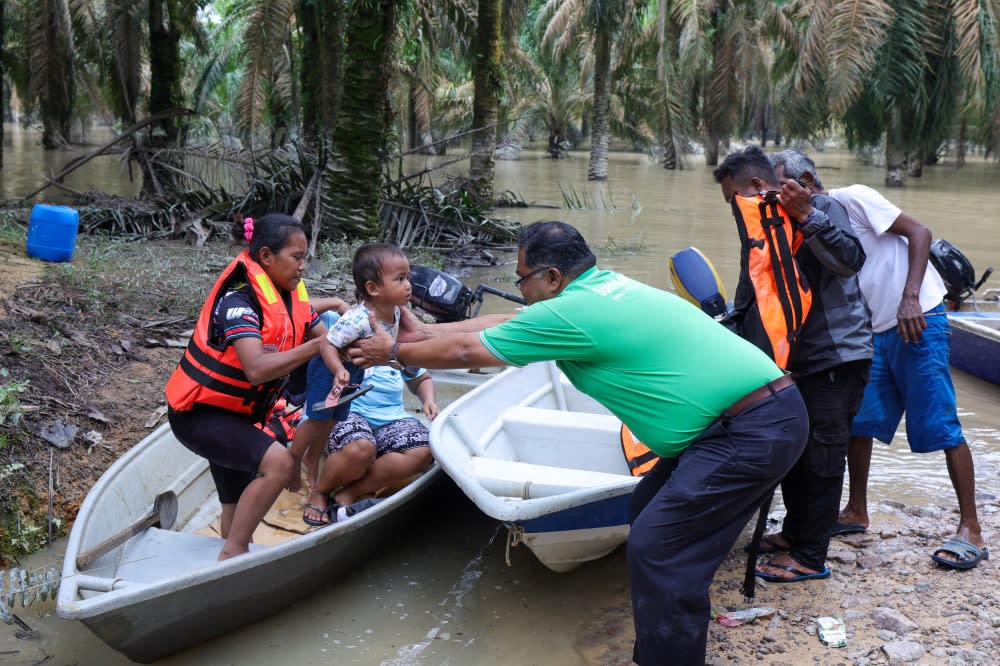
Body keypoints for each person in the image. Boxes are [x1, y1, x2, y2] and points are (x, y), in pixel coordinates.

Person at [346, 220, 810, 665]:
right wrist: (426, 334)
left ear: (551, 277)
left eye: (522, 278)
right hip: (755, 418)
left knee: (659, 547)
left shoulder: (572, 313)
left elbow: (471, 353)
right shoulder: (603, 287)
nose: (520, 287)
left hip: (750, 429)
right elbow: (508, 319)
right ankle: (658, 649)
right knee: (648, 512)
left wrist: (392, 352)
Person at [780, 151, 988, 570]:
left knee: (940, 421)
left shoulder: (853, 198)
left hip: (918, 317)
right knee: (857, 422)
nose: (775, 194)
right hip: (873, 330)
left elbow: (920, 232)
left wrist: (910, 297)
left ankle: (972, 527)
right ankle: (856, 510)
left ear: (804, 179)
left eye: (781, 184)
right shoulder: (805, 221)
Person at [712, 146, 873, 583]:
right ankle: (794, 533)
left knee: (822, 457)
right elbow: (752, 299)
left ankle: (810, 555)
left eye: (733, 198)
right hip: (793, 361)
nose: (732, 208)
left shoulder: (819, 207)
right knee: (794, 452)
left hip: (835, 356)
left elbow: (849, 261)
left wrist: (806, 216)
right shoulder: (761, 228)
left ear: (757, 187)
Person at [165, 213, 327, 560]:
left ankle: (232, 558)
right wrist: (317, 347)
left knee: (235, 506)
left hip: (236, 415)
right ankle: (234, 552)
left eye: (305, 258)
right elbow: (255, 369)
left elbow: (322, 335)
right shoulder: (238, 299)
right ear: (266, 256)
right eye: (297, 257)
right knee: (281, 464)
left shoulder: (289, 293)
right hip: (199, 415)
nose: (304, 267)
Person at [299, 243, 415, 526]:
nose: (409, 285)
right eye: (399, 279)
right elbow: (325, 342)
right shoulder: (355, 319)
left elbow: (415, 357)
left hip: (371, 400)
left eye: (407, 277)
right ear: (374, 288)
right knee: (344, 437)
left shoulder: (398, 314)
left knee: (424, 449)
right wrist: (339, 369)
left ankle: (348, 493)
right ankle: (317, 489)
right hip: (339, 392)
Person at [323, 362, 438, 520]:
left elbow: (421, 379)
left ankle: (349, 493)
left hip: (392, 416)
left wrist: (428, 401)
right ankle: (321, 492)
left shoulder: (397, 348)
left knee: (423, 449)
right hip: (347, 411)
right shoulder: (342, 342)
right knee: (360, 448)